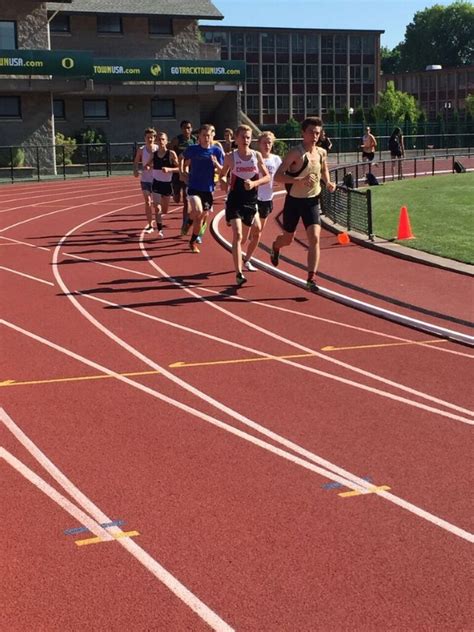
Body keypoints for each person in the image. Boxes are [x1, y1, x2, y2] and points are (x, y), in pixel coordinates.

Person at [271, 116, 336, 291]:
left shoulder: (321, 152)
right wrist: (298, 180)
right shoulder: (295, 153)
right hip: (294, 201)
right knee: (287, 239)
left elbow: (323, 169)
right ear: (303, 133)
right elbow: (277, 176)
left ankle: (311, 278)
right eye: (311, 132)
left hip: (312, 200)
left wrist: (328, 182)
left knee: (314, 238)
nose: (315, 136)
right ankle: (276, 246)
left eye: (317, 133)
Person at [220, 125, 270, 286]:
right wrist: (222, 182)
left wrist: (255, 182)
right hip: (234, 200)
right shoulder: (230, 157)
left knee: (249, 234)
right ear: (236, 138)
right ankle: (238, 273)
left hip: (250, 201)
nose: (246, 140)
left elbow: (268, 177)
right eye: (242, 137)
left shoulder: (256, 156)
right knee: (238, 235)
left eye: (248, 137)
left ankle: (240, 255)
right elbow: (221, 176)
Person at [240, 131, 282, 273]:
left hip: (267, 200)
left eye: (270, 142)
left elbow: (283, 175)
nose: (267, 145)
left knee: (257, 234)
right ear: (259, 143)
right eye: (264, 142)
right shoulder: (254, 157)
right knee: (254, 230)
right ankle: (238, 248)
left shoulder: (276, 159)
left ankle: (247, 260)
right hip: (253, 198)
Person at [181, 124, 225, 253]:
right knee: (198, 209)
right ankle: (189, 222)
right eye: (204, 135)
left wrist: (216, 163)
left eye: (209, 135)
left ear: (213, 136)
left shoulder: (216, 151)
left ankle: (192, 240)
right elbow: (181, 158)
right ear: (199, 137)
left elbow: (223, 170)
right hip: (194, 186)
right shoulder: (193, 149)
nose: (206, 138)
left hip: (208, 188)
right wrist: (182, 172)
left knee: (199, 218)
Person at [147, 132, 179, 237]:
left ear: (166, 141)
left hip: (167, 184)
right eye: (159, 140)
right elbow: (147, 164)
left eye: (163, 139)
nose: (161, 142)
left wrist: (169, 169)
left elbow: (179, 169)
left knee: (164, 210)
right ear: (157, 141)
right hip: (156, 183)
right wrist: (147, 166)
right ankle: (160, 230)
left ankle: (160, 223)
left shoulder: (171, 154)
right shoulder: (154, 154)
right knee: (157, 208)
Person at [169, 120, 197, 232]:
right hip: (177, 172)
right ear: (181, 129)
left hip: (189, 172)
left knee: (186, 199)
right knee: (176, 199)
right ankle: (174, 192)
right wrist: (174, 159)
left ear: (191, 128)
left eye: (189, 128)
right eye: (184, 128)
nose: (187, 130)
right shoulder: (177, 140)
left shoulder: (194, 140)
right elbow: (169, 149)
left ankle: (184, 223)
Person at [133, 128, 158, 233]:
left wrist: (151, 166)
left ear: (154, 138)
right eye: (148, 137)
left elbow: (161, 162)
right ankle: (150, 225)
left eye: (152, 137)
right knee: (148, 202)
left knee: (157, 204)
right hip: (145, 180)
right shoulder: (141, 149)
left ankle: (159, 223)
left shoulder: (158, 149)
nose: (150, 139)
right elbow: (135, 161)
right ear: (145, 138)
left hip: (156, 179)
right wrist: (135, 170)